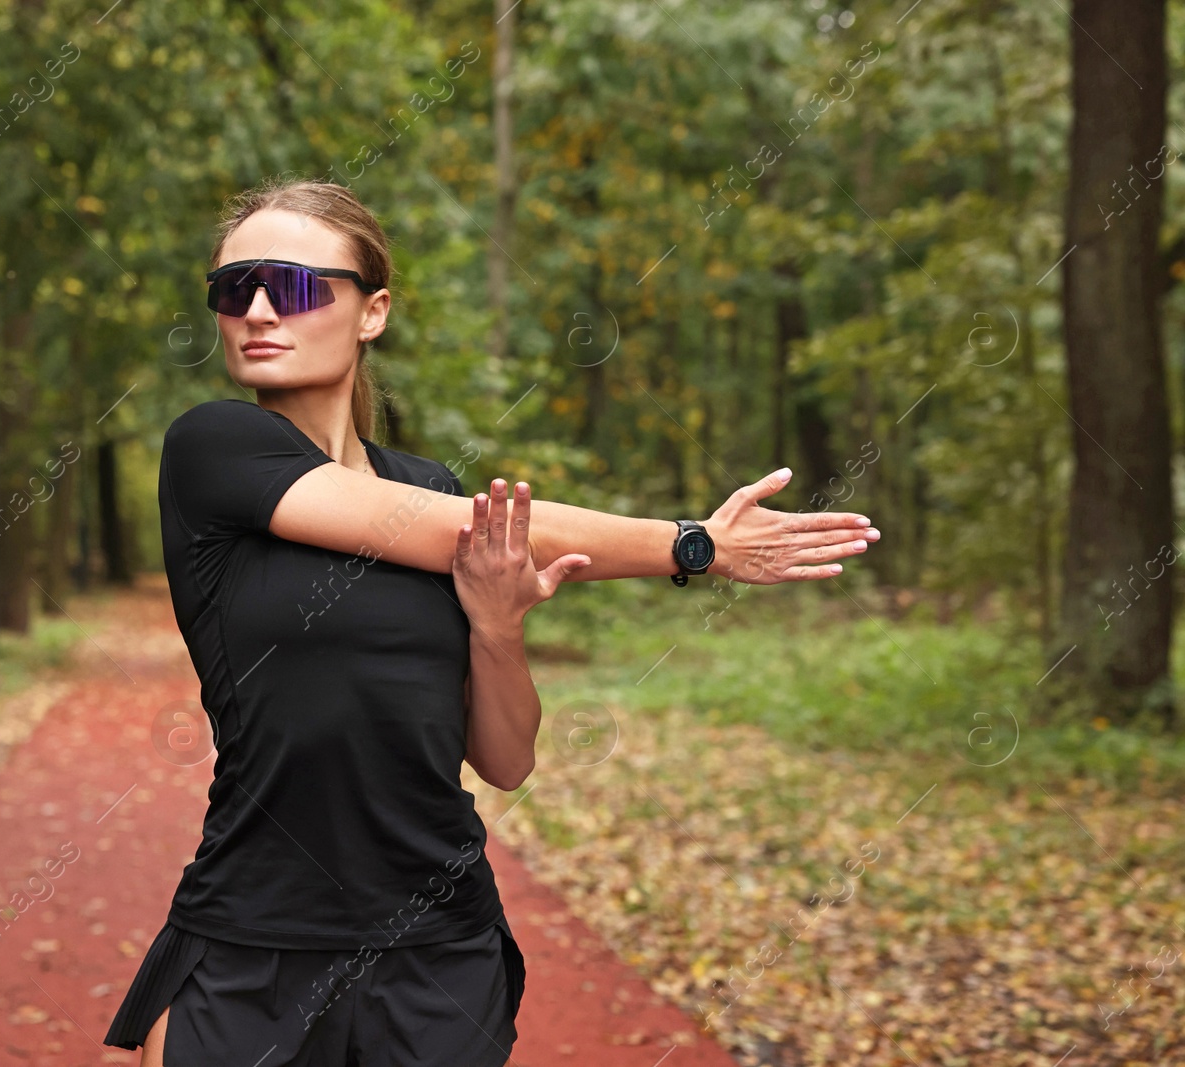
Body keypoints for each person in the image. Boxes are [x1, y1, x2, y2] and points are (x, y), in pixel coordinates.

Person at [104, 176, 878, 1067]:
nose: (262, 309)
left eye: (300, 283)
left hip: (437, 952)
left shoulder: (425, 484)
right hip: (255, 941)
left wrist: (499, 629)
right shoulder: (214, 449)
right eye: (235, 288)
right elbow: (479, 529)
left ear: (373, 311)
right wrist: (694, 544)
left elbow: (506, 760)